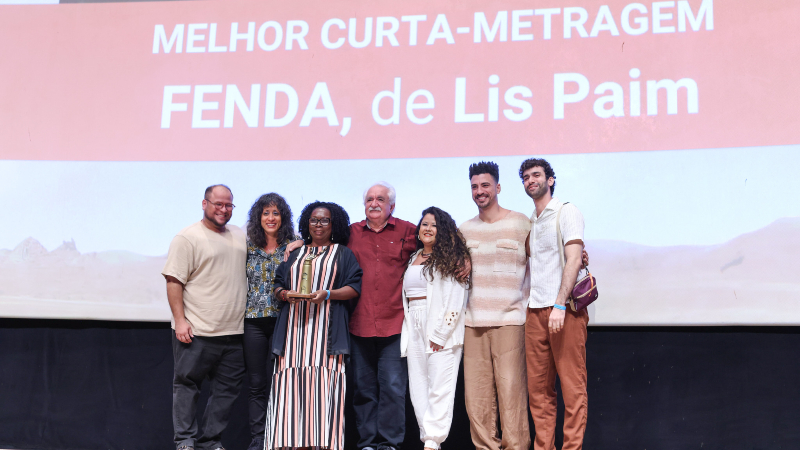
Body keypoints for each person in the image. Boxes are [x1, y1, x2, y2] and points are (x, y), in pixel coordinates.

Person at [266, 201, 363, 450]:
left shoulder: (343, 253)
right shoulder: (296, 253)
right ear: (306, 223)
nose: (318, 225)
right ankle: (290, 443)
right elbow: (277, 284)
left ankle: (321, 444)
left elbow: (354, 288)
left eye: (324, 220)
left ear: (334, 225)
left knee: (324, 389)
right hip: (293, 335)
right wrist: (285, 294)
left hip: (327, 335)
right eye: (313, 220)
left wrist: (328, 294)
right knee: (291, 388)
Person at [162, 184, 247, 450]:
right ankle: (185, 442)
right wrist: (180, 320)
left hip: (234, 332)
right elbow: (174, 281)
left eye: (228, 205)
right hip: (197, 331)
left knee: (226, 393)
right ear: (204, 204)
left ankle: (211, 442)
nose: (223, 209)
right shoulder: (187, 238)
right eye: (218, 204)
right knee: (187, 387)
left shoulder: (239, 235)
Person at [458, 161, 531, 450]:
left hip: (510, 321)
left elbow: (542, 260)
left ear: (498, 187)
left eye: (485, 185)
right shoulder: (464, 230)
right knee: (476, 399)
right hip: (472, 322)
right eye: (475, 186)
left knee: (511, 395)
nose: (480, 191)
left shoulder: (521, 222)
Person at [520, 158, 589, 450]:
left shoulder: (566, 211)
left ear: (550, 179)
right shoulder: (531, 222)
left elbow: (574, 258)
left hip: (564, 310)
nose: (530, 180)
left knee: (573, 390)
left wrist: (560, 305)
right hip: (535, 312)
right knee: (538, 394)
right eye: (525, 177)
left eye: (536, 175)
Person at [400, 206, 471, 450]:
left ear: (443, 231)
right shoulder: (414, 257)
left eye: (434, 225)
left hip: (441, 329)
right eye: (424, 224)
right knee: (418, 386)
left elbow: (456, 298)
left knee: (440, 388)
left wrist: (442, 332)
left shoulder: (451, 259)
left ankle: (433, 441)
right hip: (415, 326)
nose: (428, 229)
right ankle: (427, 438)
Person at [243, 193, 296, 450]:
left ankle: (281, 436)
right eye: (266, 213)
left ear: (283, 217)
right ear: (258, 217)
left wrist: (301, 243)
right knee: (256, 383)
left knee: (282, 380)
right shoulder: (248, 245)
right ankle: (259, 438)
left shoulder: (294, 244)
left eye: (276, 213)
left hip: (284, 321)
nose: (271, 218)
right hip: (252, 321)